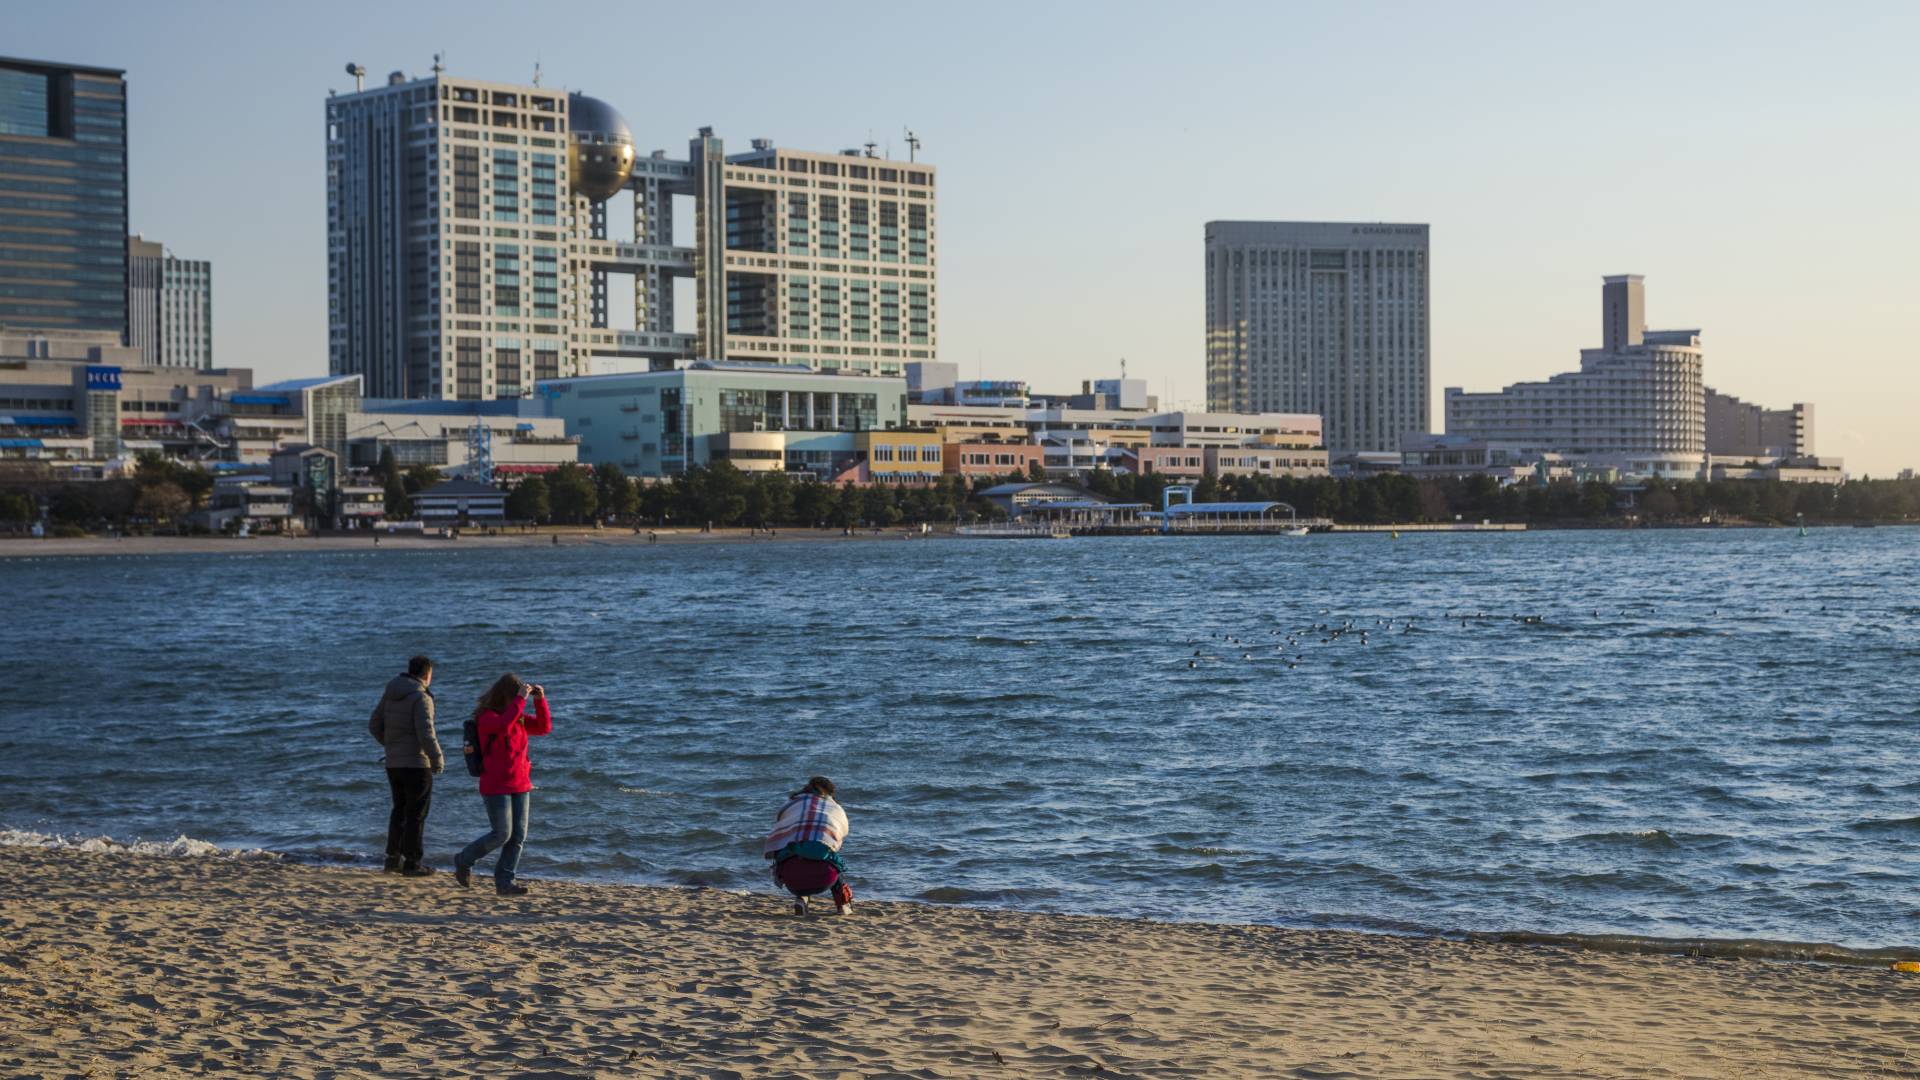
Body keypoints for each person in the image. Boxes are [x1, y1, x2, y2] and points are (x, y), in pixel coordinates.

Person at [453, 673, 552, 896]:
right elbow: (502, 726)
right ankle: (464, 859)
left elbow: (544, 728)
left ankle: (504, 882)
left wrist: (539, 700)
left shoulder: (518, 717)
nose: (519, 699)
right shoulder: (487, 718)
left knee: (517, 837)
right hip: (495, 784)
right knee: (501, 834)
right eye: (515, 695)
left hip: (521, 783)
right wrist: (521, 699)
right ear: (504, 696)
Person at [368, 655, 442, 876]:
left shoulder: (391, 693)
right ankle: (412, 862)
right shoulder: (421, 697)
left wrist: (391, 745)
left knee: (399, 810)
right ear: (427, 674)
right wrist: (437, 759)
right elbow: (426, 733)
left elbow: (374, 725)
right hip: (417, 764)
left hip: (393, 763)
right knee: (416, 814)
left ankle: (392, 859)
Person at [764, 776, 853, 916]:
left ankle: (802, 899)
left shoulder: (791, 805)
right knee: (833, 861)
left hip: (792, 880)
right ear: (829, 793)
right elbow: (840, 835)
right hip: (825, 878)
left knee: (796, 860)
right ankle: (842, 905)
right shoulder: (834, 808)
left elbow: (779, 833)